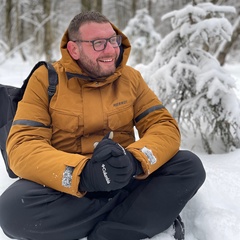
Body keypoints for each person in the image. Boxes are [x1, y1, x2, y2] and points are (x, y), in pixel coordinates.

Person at [0, 11, 205, 240]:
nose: (110, 50)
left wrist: (134, 161)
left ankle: (109, 232)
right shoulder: (45, 80)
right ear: (74, 49)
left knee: (188, 166)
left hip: (125, 177)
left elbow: (163, 125)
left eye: (113, 40)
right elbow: (22, 145)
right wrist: (84, 173)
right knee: (11, 211)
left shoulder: (131, 78)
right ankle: (140, 214)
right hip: (70, 189)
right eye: (98, 43)